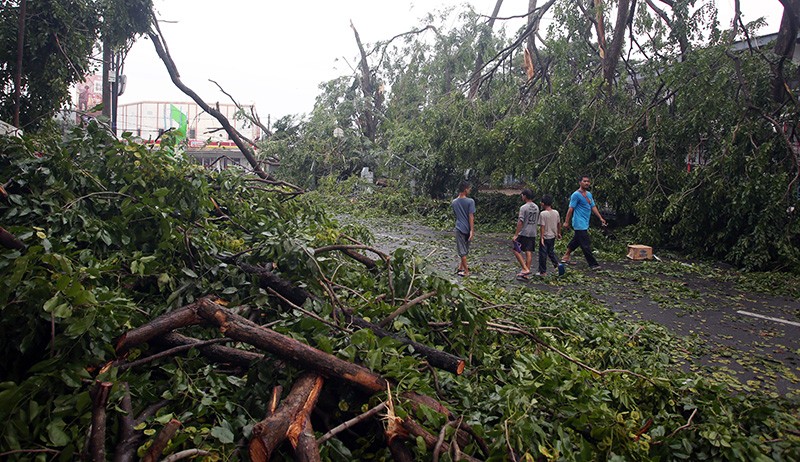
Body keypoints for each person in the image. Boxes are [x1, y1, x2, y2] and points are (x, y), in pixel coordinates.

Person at [561, 175, 607, 269]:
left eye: (588, 181)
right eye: (584, 181)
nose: (587, 183)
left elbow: (593, 207)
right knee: (585, 244)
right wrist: (566, 222)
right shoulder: (576, 195)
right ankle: (593, 264)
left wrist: (600, 218)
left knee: (577, 240)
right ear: (580, 182)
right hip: (579, 222)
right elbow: (571, 209)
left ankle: (566, 256)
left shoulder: (589, 194)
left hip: (585, 222)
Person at [512, 189, 539, 279]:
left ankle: (524, 268)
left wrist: (516, 234)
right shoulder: (536, 207)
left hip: (524, 232)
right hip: (533, 232)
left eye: (522, 195)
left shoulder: (523, 207)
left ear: (525, 196)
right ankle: (526, 272)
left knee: (516, 250)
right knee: (528, 251)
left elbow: (520, 221)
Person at [452, 181, 475, 277]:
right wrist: (472, 230)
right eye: (469, 188)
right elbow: (471, 216)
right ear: (465, 189)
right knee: (464, 250)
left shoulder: (454, 202)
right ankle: (466, 271)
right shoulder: (470, 201)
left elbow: (456, 215)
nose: (469, 190)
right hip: (467, 228)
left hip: (459, 227)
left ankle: (461, 267)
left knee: (462, 250)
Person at [537, 194, 562, 276]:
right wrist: (558, 233)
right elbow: (559, 223)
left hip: (545, 236)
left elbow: (542, 226)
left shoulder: (543, 214)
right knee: (550, 252)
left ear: (543, 203)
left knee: (543, 254)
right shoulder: (556, 212)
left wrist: (541, 237)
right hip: (552, 236)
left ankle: (543, 272)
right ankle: (557, 265)